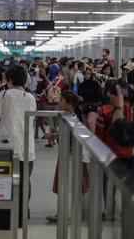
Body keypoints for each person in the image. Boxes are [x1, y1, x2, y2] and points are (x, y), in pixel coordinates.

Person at [0, 65, 36, 227]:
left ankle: (6, 214)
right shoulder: (30, 97)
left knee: (5, 181)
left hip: (6, 146)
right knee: (24, 181)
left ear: (9, 80)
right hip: (27, 147)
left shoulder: (5, 94)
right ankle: (23, 215)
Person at [46, 91, 90, 222]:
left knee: (68, 184)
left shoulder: (73, 118)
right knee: (67, 184)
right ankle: (66, 212)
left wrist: (55, 135)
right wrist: (56, 134)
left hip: (71, 155)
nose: (59, 102)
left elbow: (71, 136)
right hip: (67, 153)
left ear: (70, 104)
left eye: (62, 100)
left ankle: (68, 213)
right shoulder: (68, 116)